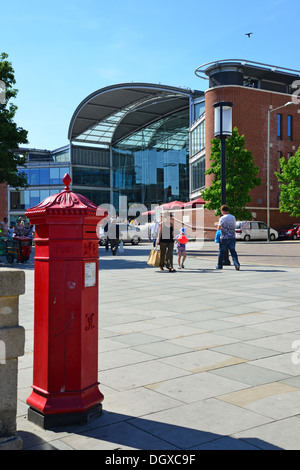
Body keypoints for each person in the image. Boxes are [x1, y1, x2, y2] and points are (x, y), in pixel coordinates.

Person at [216, 205, 240, 270]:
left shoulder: (222, 218)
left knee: (221, 251)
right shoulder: (233, 217)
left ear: (222, 211)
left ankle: (219, 266)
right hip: (232, 237)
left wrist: (218, 226)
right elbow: (234, 226)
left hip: (224, 237)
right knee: (233, 251)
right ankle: (237, 264)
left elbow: (219, 228)